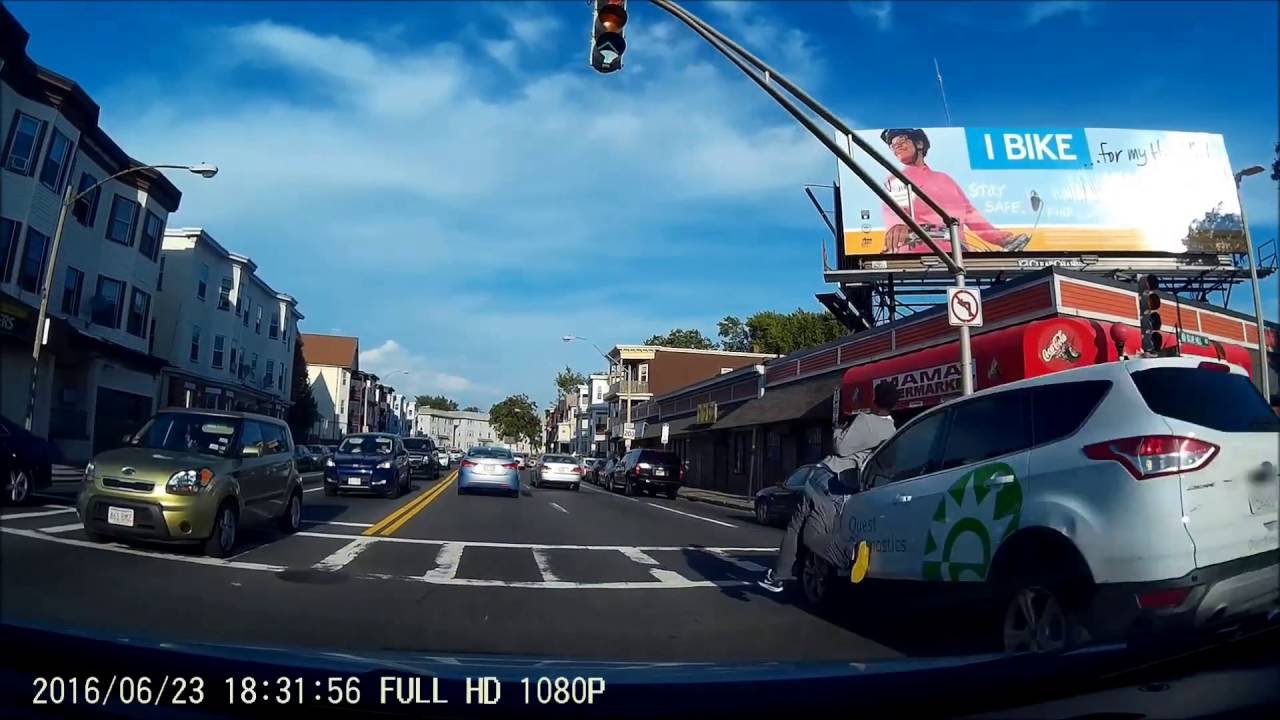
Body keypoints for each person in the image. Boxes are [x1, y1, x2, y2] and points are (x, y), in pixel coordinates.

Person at [758, 381, 900, 593]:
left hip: (826, 478)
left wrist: (838, 430)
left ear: (874, 399)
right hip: (845, 489)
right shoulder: (892, 431)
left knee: (800, 529)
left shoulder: (866, 420)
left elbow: (841, 447)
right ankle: (784, 573)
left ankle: (845, 554)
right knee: (812, 529)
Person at [878, 128, 1031, 254]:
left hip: (959, 255)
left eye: (901, 139)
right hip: (919, 254)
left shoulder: (945, 179)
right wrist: (896, 226)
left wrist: (1002, 238)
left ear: (919, 143)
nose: (895, 145)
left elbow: (970, 214)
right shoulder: (898, 178)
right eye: (892, 144)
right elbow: (893, 209)